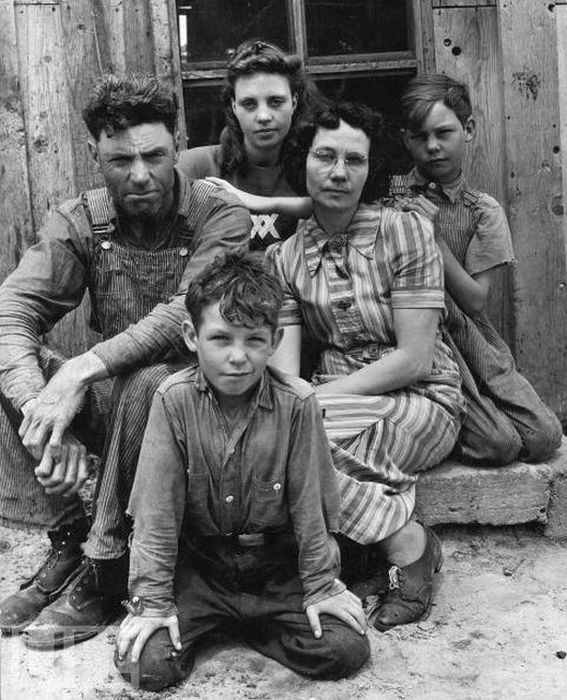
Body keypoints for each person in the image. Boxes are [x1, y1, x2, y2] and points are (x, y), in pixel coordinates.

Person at [0, 74, 250, 647]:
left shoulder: (221, 216)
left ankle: (107, 565)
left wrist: (81, 368)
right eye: (119, 160)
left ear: (178, 143)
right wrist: (41, 408)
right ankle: (73, 534)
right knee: (19, 361)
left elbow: (180, 316)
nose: (139, 175)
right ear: (94, 154)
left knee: (155, 377)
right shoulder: (79, 221)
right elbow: (13, 308)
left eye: (154, 156)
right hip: (121, 412)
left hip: (202, 420)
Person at [114, 252, 370, 692]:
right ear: (191, 337)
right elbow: (156, 514)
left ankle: (251, 622)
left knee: (345, 648)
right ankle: (225, 619)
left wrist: (322, 586)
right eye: (220, 338)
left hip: (274, 567)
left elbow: (313, 508)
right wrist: (152, 603)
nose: (238, 357)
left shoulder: (298, 402)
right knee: (146, 666)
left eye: (254, 340)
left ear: (276, 340)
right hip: (202, 568)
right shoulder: (172, 400)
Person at [265, 101, 466, 631]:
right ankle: (401, 540)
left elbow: (414, 357)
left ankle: (393, 551)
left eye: (354, 160)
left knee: (308, 449)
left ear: (371, 168)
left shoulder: (406, 232)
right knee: (285, 437)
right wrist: (298, 401)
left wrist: (314, 402)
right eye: (324, 156)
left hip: (421, 395)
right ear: (302, 160)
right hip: (329, 394)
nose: (337, 172)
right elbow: (285, 371)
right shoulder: (283, 259)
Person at [389, 73, 562, 465]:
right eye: (420, 136)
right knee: (498, 445)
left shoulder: (482, 210)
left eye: (444, 133)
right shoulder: (389, 196)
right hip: (417, 336)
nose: (433, 146)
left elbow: (477, 300)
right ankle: (448, 426)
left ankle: (483, 412)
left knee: (545, 437)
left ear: (467, 129)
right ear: (406, 139)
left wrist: (433, 238)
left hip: (470, 334)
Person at [177, 39, 318, 251]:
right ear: (234, 106)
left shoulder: (315, 166)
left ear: (294, 102)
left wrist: (258, 202)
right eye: (249, 104)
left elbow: (350, 208)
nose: (263, 116)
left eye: (276, 101)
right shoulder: (198, 166)